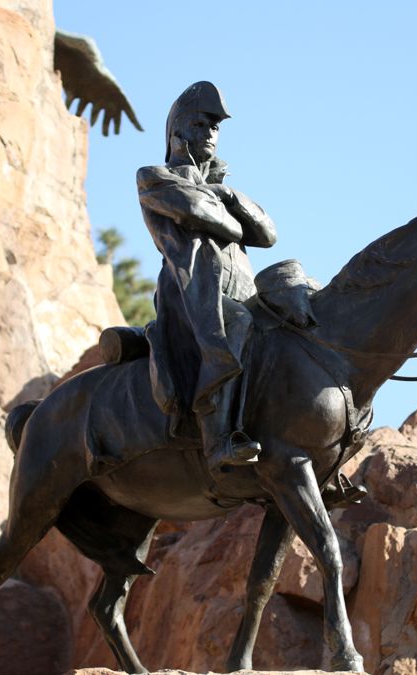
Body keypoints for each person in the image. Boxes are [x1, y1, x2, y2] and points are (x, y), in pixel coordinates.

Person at [136, 81, 277, 474]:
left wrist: (230, 198)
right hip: (191, 299)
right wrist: (226, 209)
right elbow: (205, 214)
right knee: (238, 322)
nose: (210, 133)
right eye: (201, 124)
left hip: (239, 292)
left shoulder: (224, 189)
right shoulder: (154, 177)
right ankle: (217, 439)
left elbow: (267, 234)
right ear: (177, 131)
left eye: (215, 127)